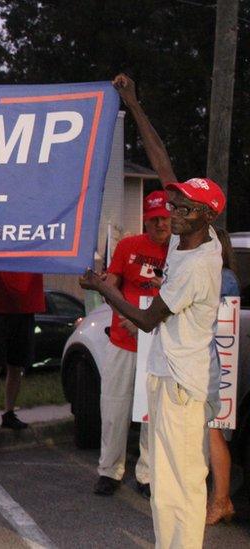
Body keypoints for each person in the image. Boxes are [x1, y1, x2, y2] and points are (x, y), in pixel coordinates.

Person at [79, 176, 225, 548]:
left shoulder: (196, 264)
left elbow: (147, 320)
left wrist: (104, 288)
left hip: (181, 385)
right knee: (165, 480)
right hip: (168, 374)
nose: (172, 215)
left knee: (183, 480)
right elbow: (163, 169)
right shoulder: (187, 237)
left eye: (182, 209)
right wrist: (141, 115)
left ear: (206, 216)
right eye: (173, 206)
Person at [93, 191, 170, 498]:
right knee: (114, 406)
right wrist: (127, 314)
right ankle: (109, 470)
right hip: (124, 340)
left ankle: (147, 474)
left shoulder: (178, 251)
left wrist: (145, 322)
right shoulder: (128, 246)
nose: (160, 224)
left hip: (159, 347)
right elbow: (110, 284)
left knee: (152, 413)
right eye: (154, 220)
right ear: (145, 220)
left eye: (165, 217)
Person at [0, 271, 45, 433]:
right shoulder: (0, 247)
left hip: (25, 308)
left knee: (16, 365)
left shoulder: (34, 247)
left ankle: (9, 413)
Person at [206, 226, 240, 525]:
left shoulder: (223, 277)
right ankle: (219, 499)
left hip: (213, 365)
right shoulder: (220, 275)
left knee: (214, 431)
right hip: (211, 363)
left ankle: (221, 500)